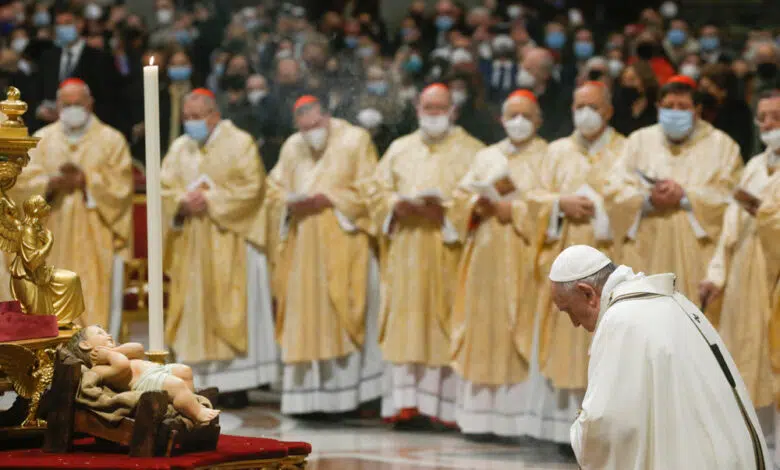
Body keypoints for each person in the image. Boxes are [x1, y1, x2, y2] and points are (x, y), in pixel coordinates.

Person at [549, 244, 770, 469]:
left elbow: (608, 424)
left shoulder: (621, 320)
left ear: (588, 293)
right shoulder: (673, 302)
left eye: (568, 310)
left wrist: (581, 431)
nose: (575, 323)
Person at [369, 83, 484, 426]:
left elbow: (477, 198)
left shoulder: (473, 151)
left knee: (442, 324)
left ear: (453, 111)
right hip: (405, 249)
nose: (433, 115)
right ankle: (406, 405)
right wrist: (394, 206)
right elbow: (375, 192)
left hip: (447, 250)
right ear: (417, 109)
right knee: (406, 325)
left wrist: (447, 214)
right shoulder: (399, 148)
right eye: (427, 108)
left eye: (439, 108)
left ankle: (443, 409)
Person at [526, 81, 629, 447]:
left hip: (609, 262)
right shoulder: (555, 151)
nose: (584, 112)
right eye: (578, 105)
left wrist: (604, 208)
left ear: (609, 111)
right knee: (567, 341)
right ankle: (563, 430)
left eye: (593, 106)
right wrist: (558, 204)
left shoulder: (627, 150)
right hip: (564, 262)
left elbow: (635, 198)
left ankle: (604, 430)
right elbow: (532, 198)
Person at [266, 96, 383, 416]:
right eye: (304, 129)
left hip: (345, 244)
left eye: (316, 126)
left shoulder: (355, 139)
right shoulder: (292, 147)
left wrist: (329, 198)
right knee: (304, 319)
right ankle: (306, 401)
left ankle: (345, 400)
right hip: (303, 250)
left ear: (327, 117)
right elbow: (272, 190)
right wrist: (289, 204)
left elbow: (372, 189)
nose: (311, 133)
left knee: (341, 315)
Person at [160, 88, 276, 405]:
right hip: (192, 244)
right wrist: (181, 202)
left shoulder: (240, 143)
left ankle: (236, 383)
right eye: (187, 117)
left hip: (232, 240)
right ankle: (198, 378)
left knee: (232, 302)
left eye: (197, 117)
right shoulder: (180, 148)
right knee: (195, 306)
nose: (191, 123)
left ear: (215, 116)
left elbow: (253, 189)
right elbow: (163, 187)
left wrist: (209, 199)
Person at [449, 90, 547, 438]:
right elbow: (458, 200)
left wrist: (513, 209)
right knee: (483, 328)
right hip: (485, 257)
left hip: (525, 256)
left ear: (538, 120)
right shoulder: (486, 156)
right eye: (512, 115)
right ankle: (479, 419)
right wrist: (475, 205)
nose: (519, 122)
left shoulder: (549, 156)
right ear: (502, 120)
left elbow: (551, 208)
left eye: (526, 115)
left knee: (519, 328)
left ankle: (518, 419)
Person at [610, 76, 743, 314]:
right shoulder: (638, 141)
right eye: (669, 106)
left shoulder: (723, 146)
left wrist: (684, 196)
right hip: (645, 252)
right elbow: (614, 189)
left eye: (683, 107)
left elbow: (731, 197)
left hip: (698, 256)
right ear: (658, 107)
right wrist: (648, 200)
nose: (675, 112)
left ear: (697, 110)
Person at [14, 78, 132, 333]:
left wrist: (86, 181)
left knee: (93, 298)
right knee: (52, 300)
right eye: (66, 104)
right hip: (51, 237)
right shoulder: (41, 139)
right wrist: (50, 184)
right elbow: (22, 183)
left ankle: (98, 354)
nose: (72, 109)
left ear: (90, 103)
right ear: (57, 106)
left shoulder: (111, 140)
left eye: (78, 103)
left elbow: (121, 189)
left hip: (96, 237)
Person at [699, 90, 779, 421]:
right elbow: (729, 230)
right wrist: (716, 274)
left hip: (774, 279)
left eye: (776, 117)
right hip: (744, 276)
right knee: (745, 363)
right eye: (763, 117)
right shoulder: (754, 166)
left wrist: (764, 211)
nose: (768, 124)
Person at [65, 325, 220, 425]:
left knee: (184, 371)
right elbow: (122, 366)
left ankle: (187, 404)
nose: (109, 335)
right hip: (146, 383)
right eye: (100, 333)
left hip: (156, 371)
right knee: (177, 385)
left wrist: (112, 351)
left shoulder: (116, 352)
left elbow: (138, 349)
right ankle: (196, 413)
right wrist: (108, 356)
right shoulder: (98, 368)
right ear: (85, 345)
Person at [611, 61, 658, 136]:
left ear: (645, 82)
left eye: (632, 80)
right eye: (624, 81)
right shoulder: (614, 107)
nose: (627, 84)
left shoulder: (657, 108)